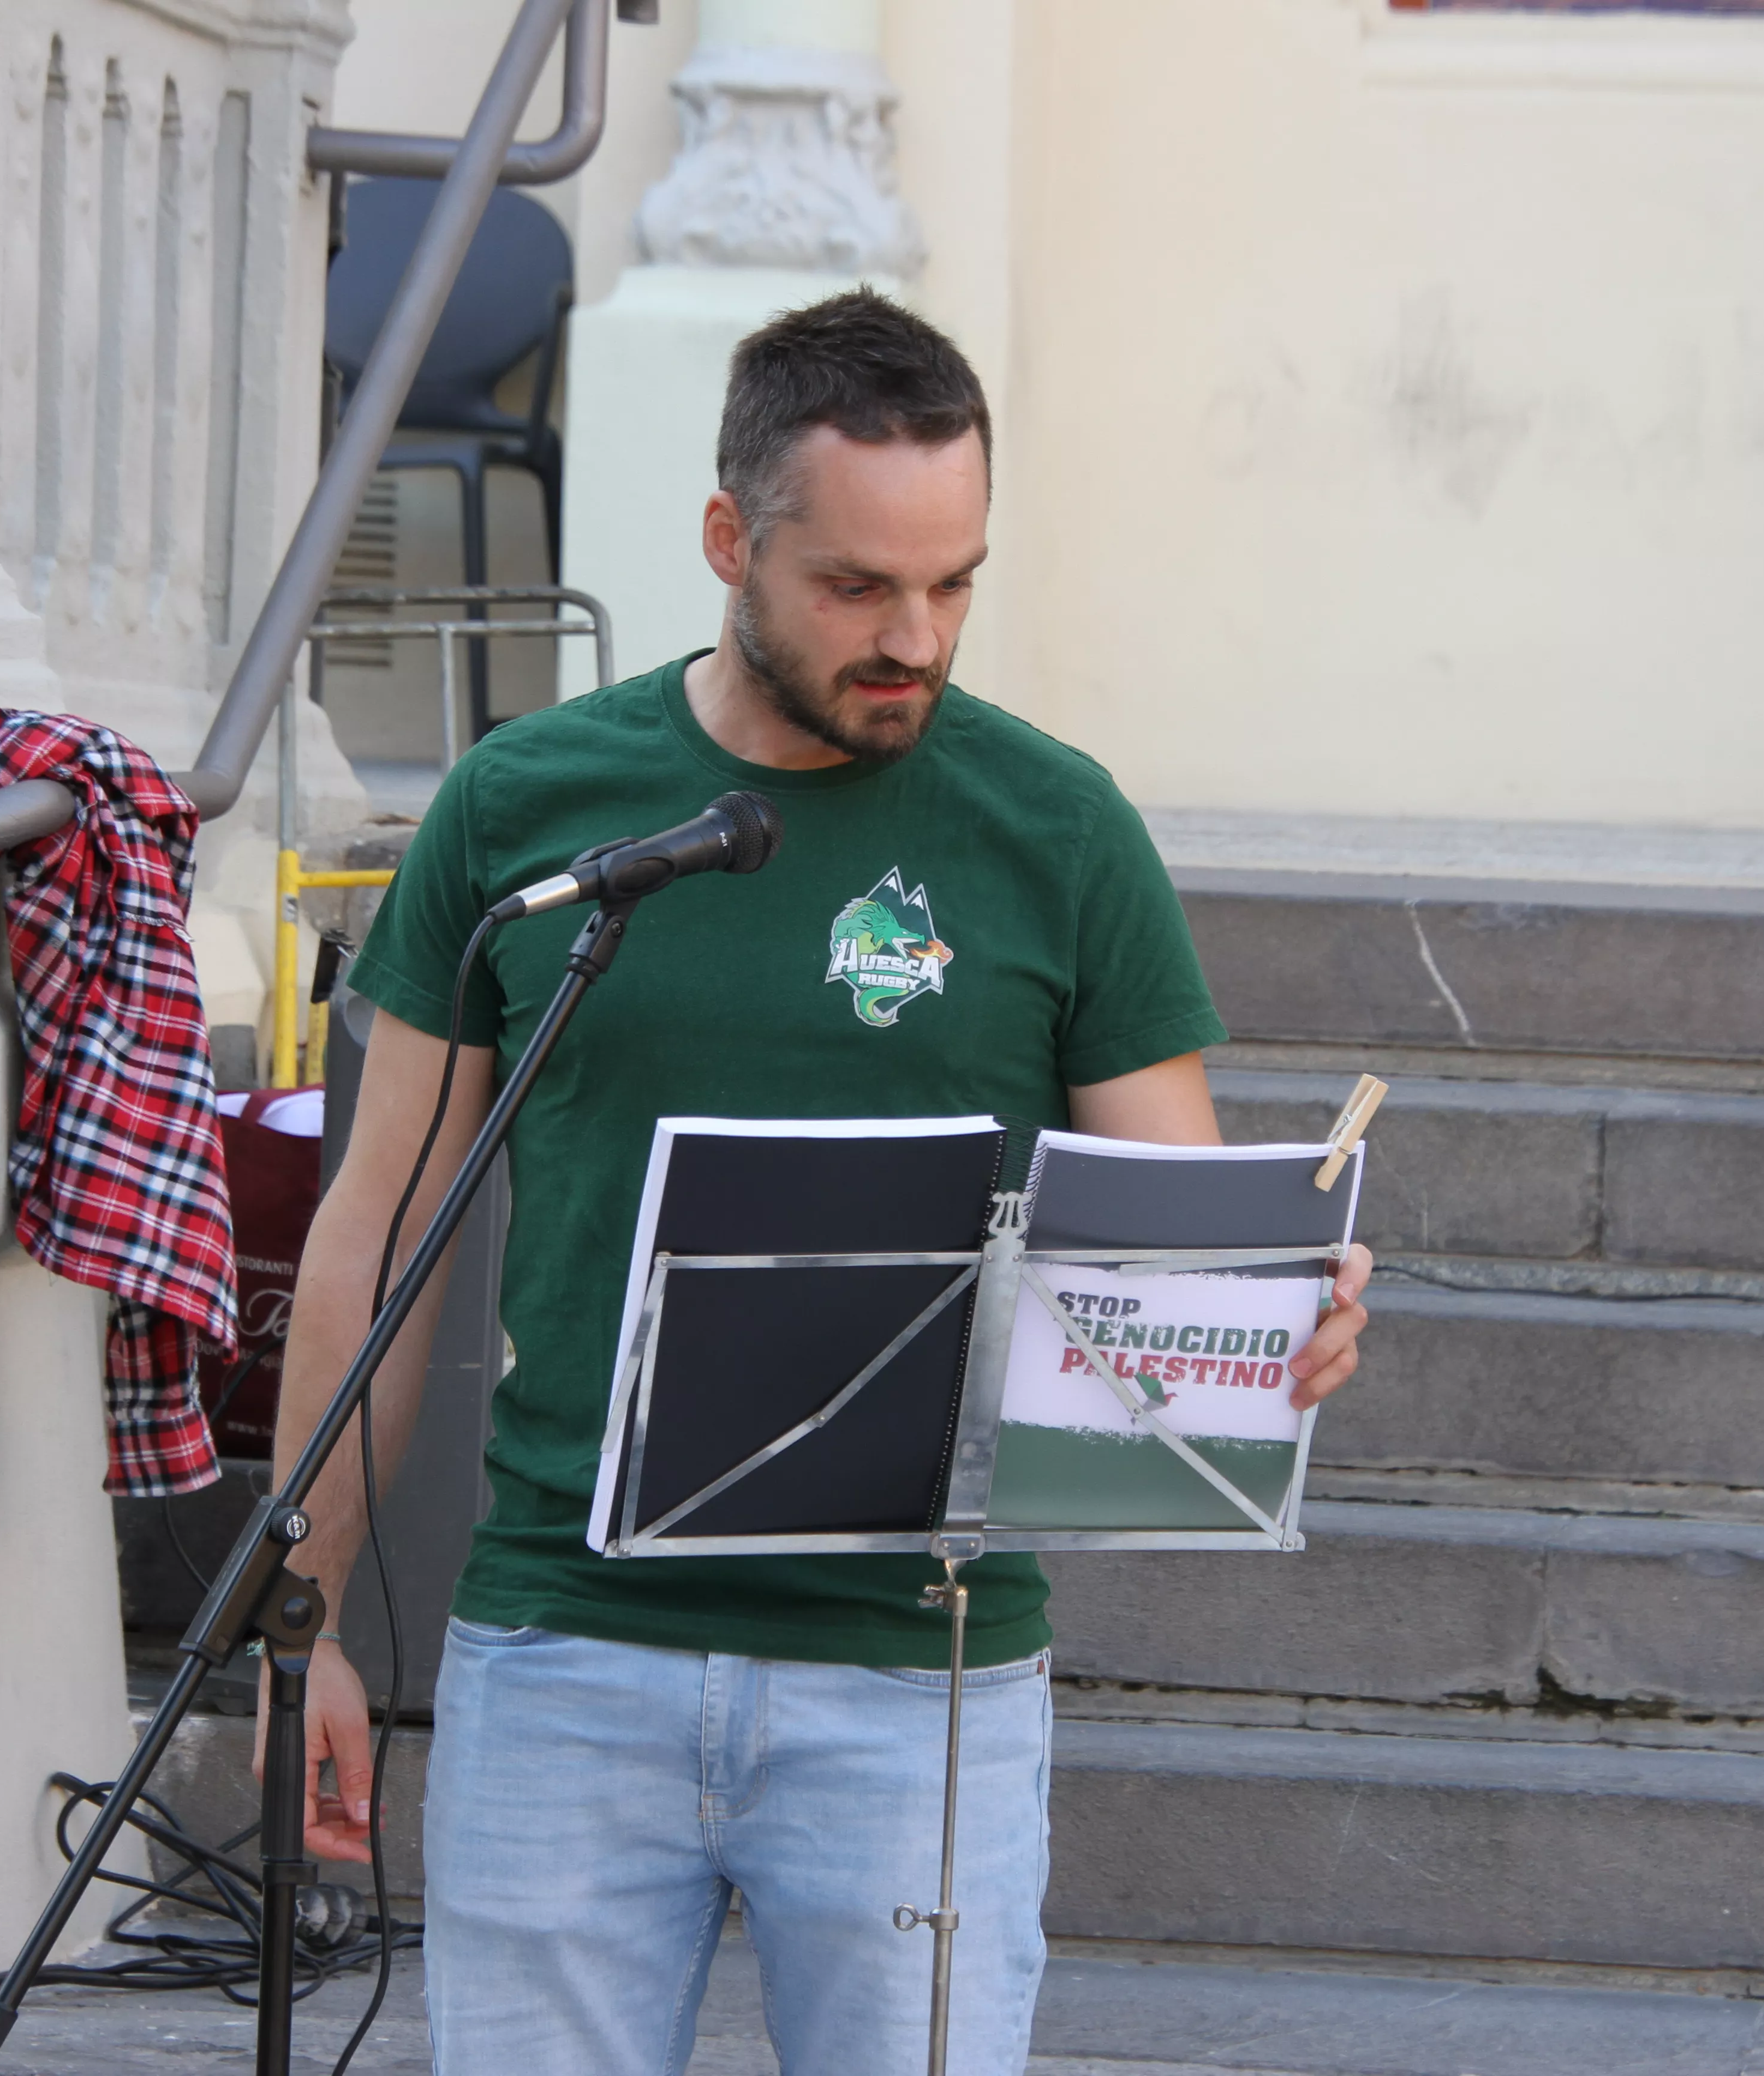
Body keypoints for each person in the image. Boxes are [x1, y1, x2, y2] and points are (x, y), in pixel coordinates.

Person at [265, 290, 1374, 2075]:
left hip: (913, 1684)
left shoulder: (1057, 827)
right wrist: (298, 1617)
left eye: (954, 585)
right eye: (859, 586)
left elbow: (1185, 1224)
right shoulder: (531, 810)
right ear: (730, 542)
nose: (914, 638)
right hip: (567, 1646)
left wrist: (1279, 1311)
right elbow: (371, 1238)